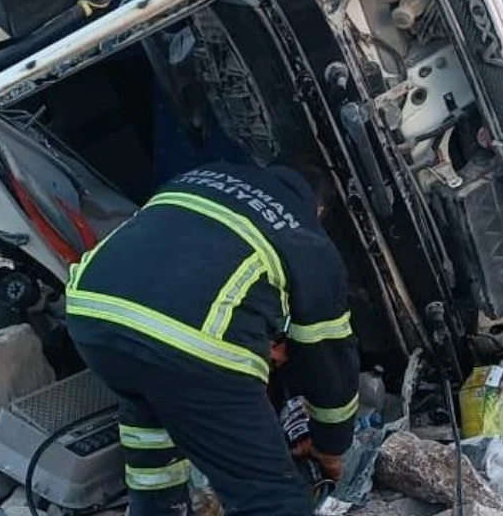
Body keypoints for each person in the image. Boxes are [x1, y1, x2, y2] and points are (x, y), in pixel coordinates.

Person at [65, 161, 359, 516]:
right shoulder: (306, 237)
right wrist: (331, 445)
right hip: (190, 343)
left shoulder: (201, 175)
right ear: (320, 209)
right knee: (270, 496)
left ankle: (159, 509)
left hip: (92, 313)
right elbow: (329, 360)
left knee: (152, 418)